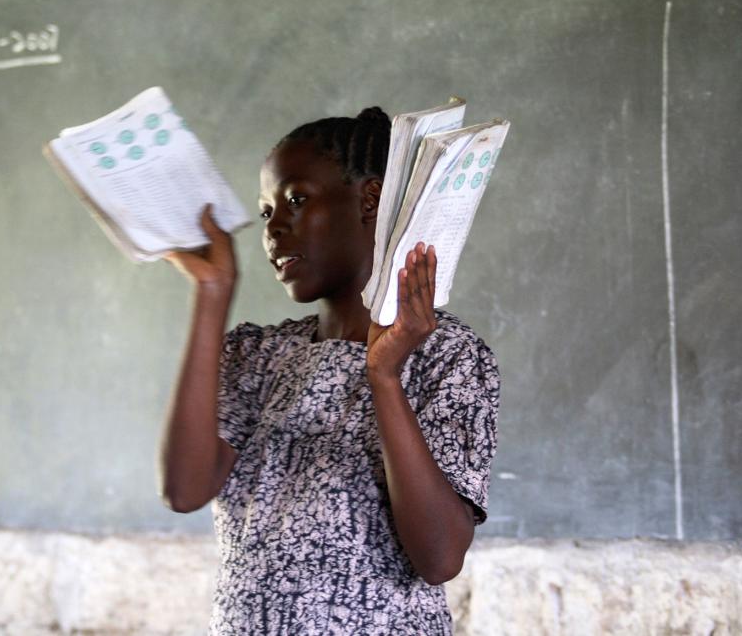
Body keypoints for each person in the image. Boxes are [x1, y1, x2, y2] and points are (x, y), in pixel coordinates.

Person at [158, 107, 500, 635]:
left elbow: (438, 558)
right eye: (266, 211)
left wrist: (384, 376)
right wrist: (211, 293)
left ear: (368, 200)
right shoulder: (257, 355)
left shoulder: (446, 353)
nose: (274, 227)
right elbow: (185, 491)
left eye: (296, 199)